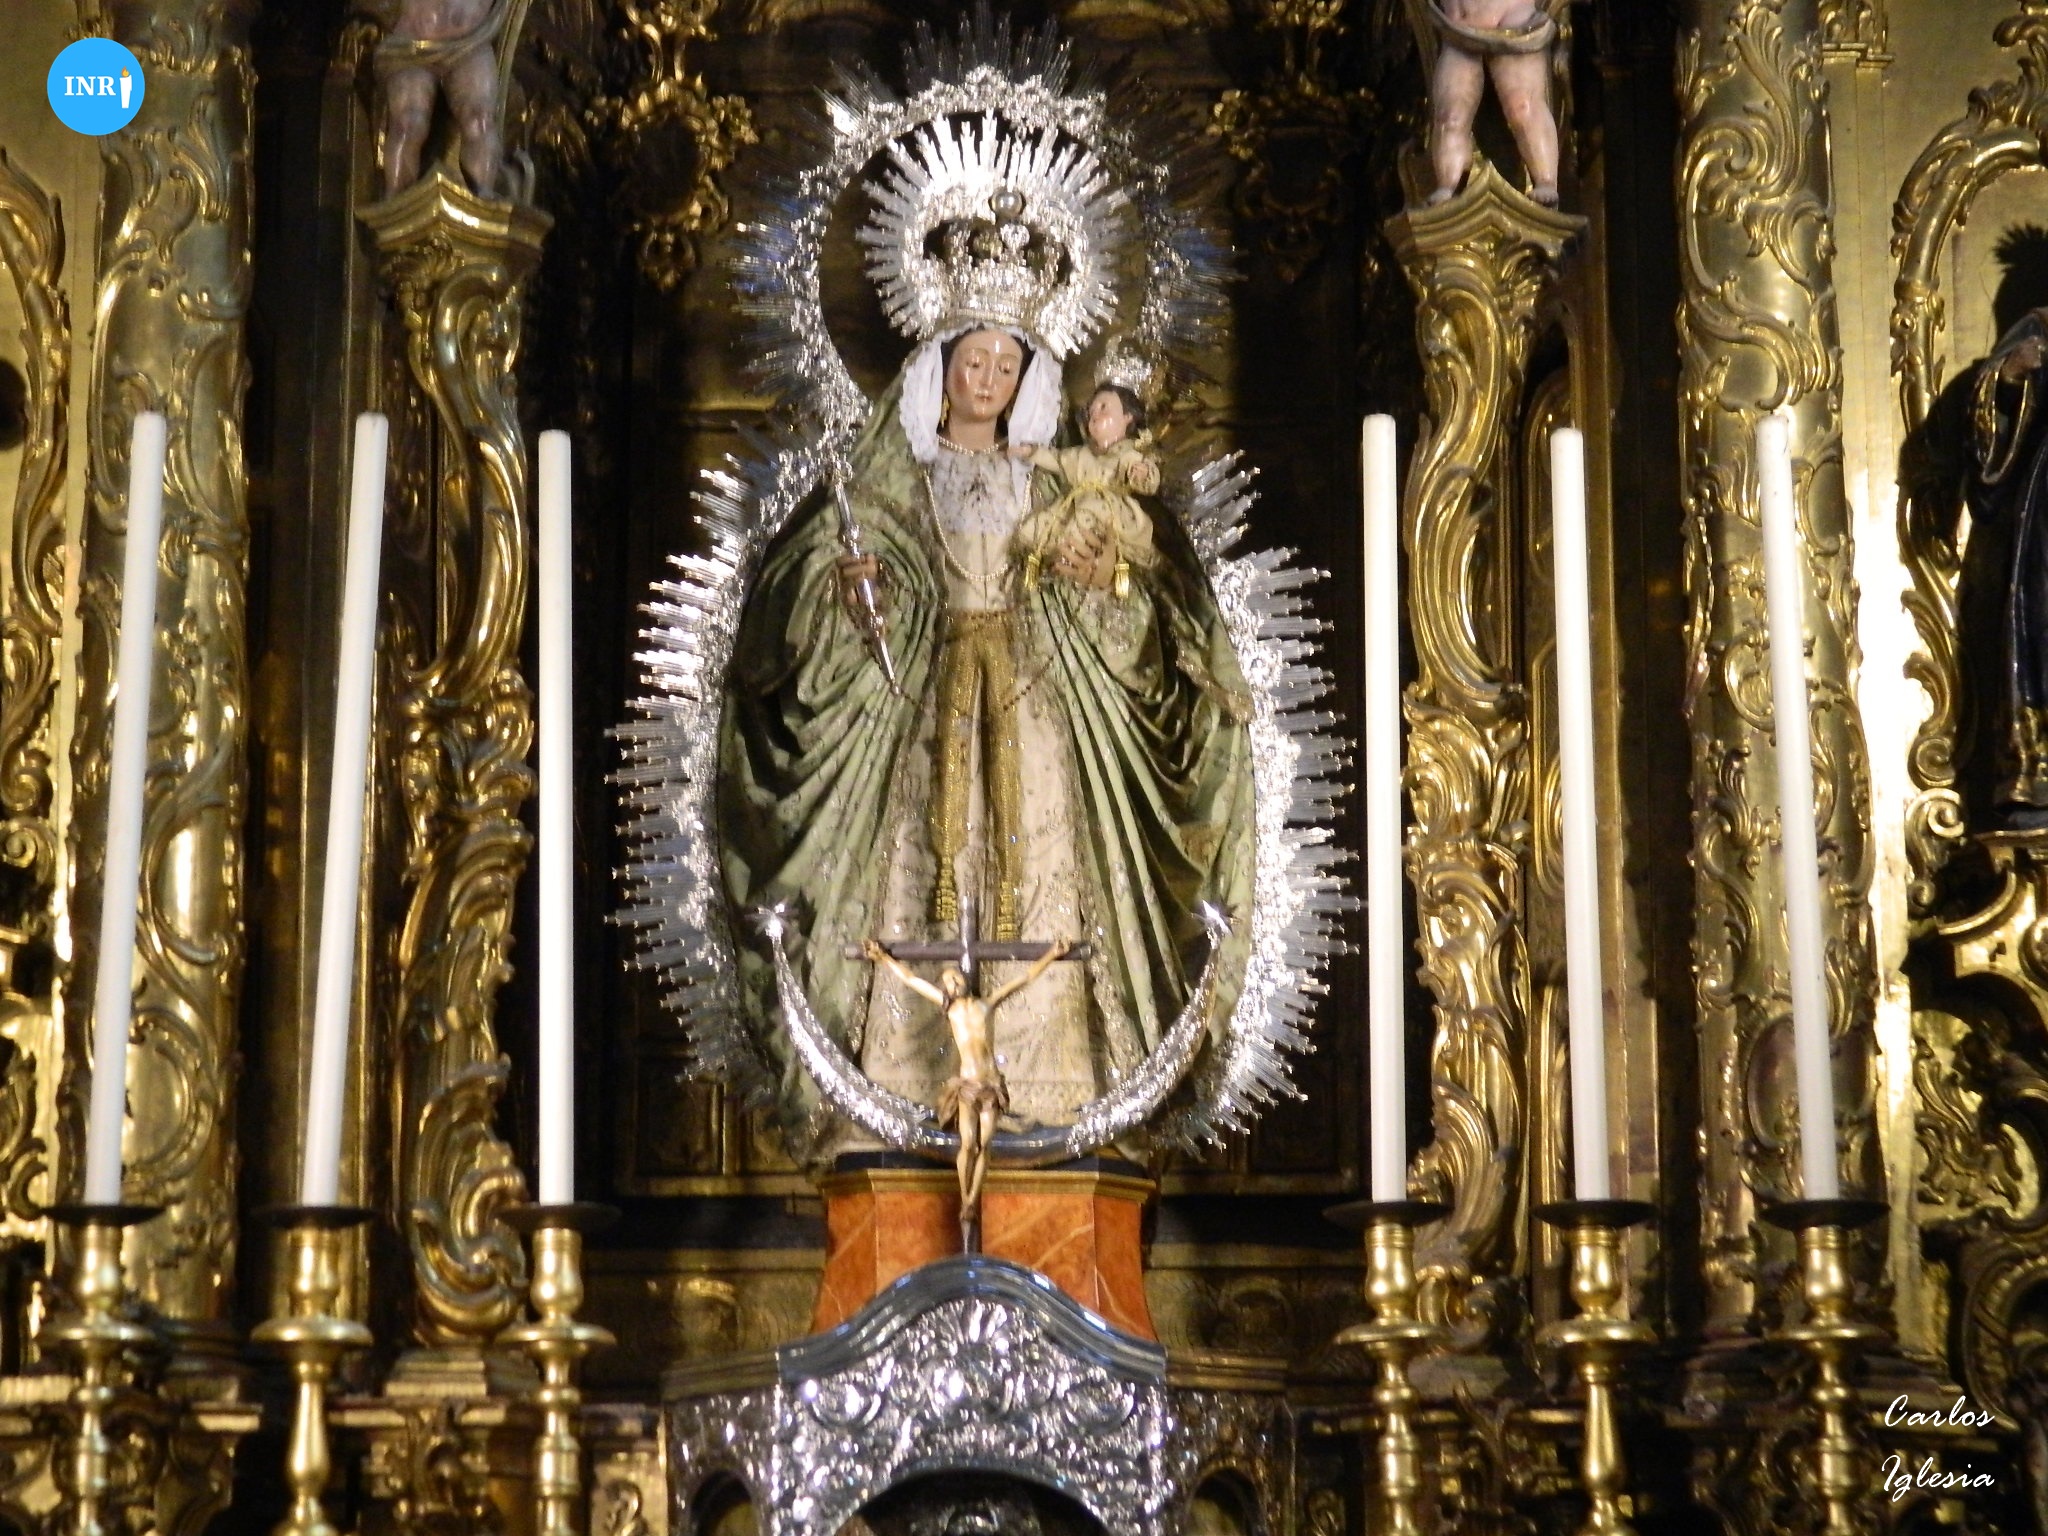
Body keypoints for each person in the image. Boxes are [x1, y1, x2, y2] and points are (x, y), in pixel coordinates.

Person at [716, 197, 1256, 1166]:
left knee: (1040, 865)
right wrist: (853, 587)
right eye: (974, 361)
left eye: (1007, 366)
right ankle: (900, 1090)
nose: (988, 380)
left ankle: (1052, 1094)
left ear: (1028, 380)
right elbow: (819, 591)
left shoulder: (1049, 477)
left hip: (1034, 698)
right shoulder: (891, 481)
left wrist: (1106, 580)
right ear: (939, 367)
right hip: (922, 707)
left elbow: (1129, 594)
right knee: (921, 866)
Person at [862, 939, 1071, 1236]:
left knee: (985, 1144)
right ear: (945, 989)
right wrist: (883, 958)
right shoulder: (950, 1010)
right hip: (967, 1086)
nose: (955, 982)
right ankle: (964, 1197)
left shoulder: (986, 1004)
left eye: (957, 977)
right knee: (968, 1143)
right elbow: (910, 979)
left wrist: (1051, 954)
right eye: (949, 980)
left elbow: (1023, 979)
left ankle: (972, 1199)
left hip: (991, 1085)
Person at [1011, 385, 1162, 601]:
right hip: (1078, 503)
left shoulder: (1127, 454)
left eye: (1103, 408)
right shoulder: (1082, 454)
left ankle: (1078, 557)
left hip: (1109, 510)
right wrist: (1033, 452)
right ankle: (1056, 561)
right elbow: (1057, 460)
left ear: (1127, 417)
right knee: (1040, 526)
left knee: (1089, 510)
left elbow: (1148, 478)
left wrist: (1143, 473)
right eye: (1091, 413)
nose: (1095, 416)